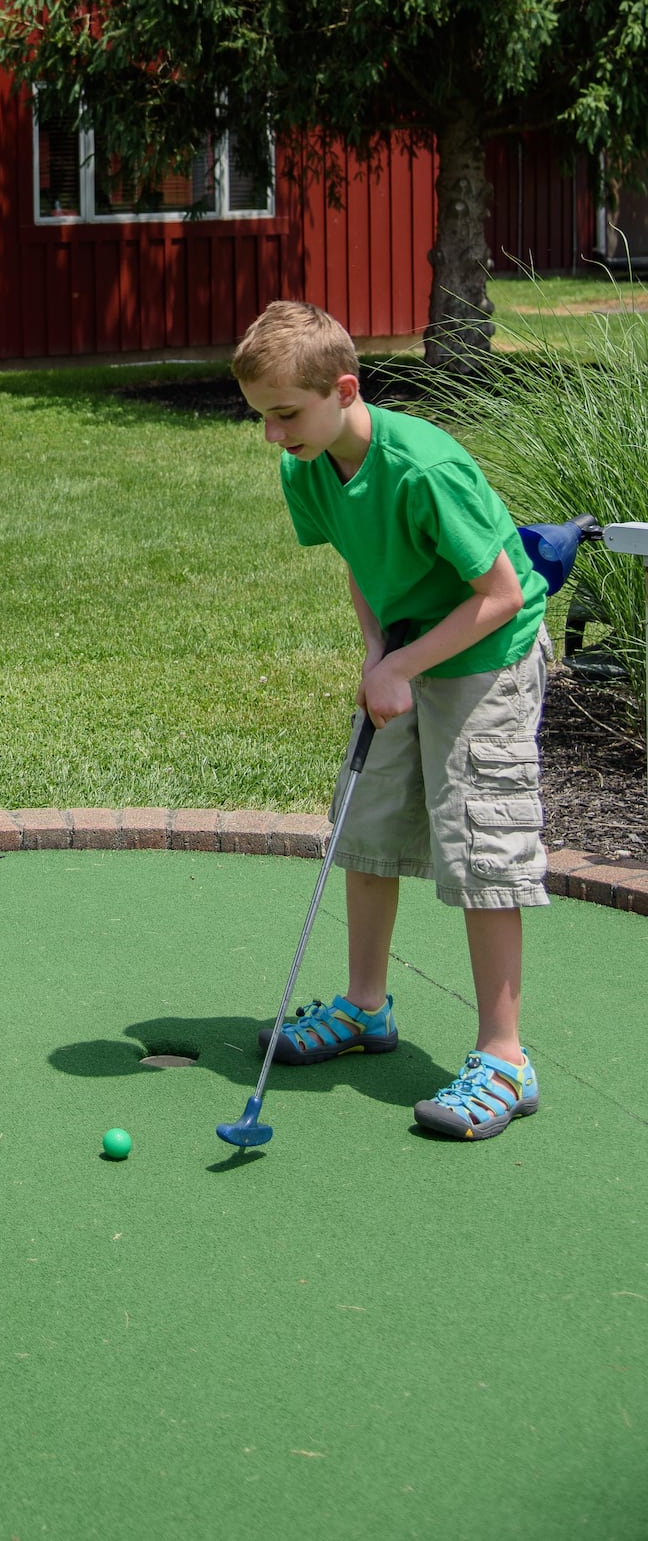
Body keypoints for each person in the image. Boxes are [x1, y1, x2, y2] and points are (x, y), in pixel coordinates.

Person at [232, 299, 552, 1140]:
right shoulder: (306, 464)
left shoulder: (423, 466)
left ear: (343, 389)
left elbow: (501, 595)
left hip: (487, 652)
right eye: (262, 417)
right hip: (409, 644)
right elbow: (362, 561)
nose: (273, 435)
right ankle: (366, 1008)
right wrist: (379, 652)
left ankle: (505, 1055)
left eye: (285, 415)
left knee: (481, 840)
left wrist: (404, 663)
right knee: (364, 825)